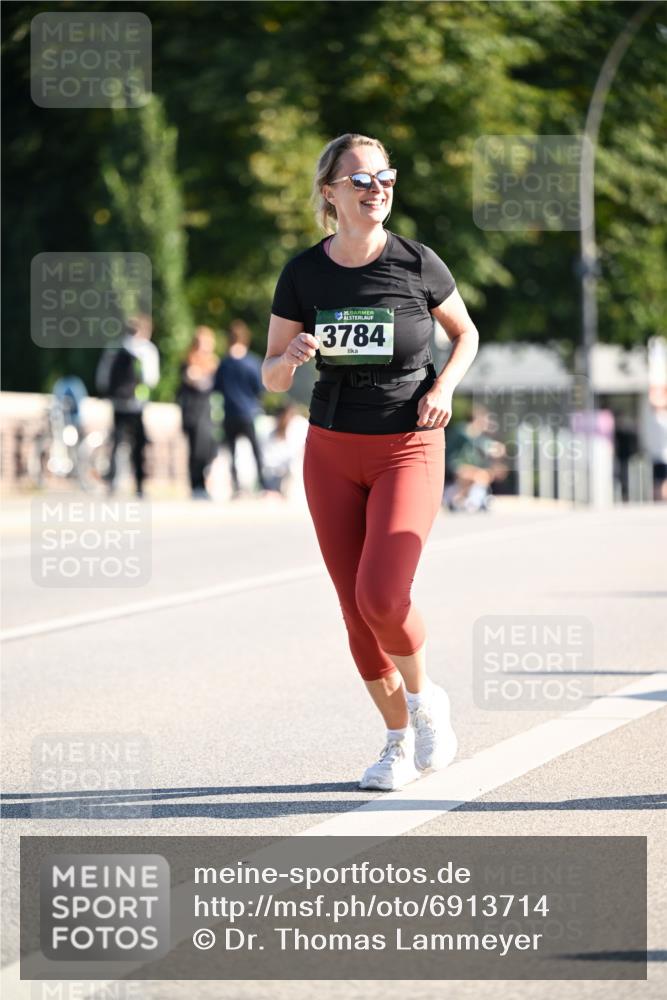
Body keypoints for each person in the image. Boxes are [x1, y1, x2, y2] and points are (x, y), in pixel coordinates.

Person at [263, 133, 479, 791]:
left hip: (407, 443)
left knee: (381, 595)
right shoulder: (303, 273)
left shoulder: (416, 263)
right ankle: (395, 743)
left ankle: (424, 701)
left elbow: (464, 334)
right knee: (353, 611)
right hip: (330, 447)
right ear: (329, 193)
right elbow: (271, 376)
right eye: (359, 180)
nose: (375, 188)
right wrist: (290, 358)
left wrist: (442, 388)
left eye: (384, 177)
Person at [95, 313, 159, 497]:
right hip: (137, 404)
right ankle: (139, 486)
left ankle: (113, 483)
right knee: (138, 445)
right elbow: (151, 379)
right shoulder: (146, 350)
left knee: (116, 443)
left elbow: (102, 377)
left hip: (117, 402)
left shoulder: (114, 347)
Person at [214, 319, 269, 498]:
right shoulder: (252, 362)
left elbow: (217, 387)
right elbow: (260, 388)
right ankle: (263, 485)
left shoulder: (224, 364)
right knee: (255, 451)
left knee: (232, 452)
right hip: (249, 412)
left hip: (230, 413)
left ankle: (237, 487)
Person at [178, 327, 219, 498]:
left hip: (208, 410)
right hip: (193, 410)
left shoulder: (214, 362)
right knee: (196, 448)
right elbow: (191, 379)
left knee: (209, 448)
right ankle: (196, 484)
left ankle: (203, 481)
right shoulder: (188, 360)